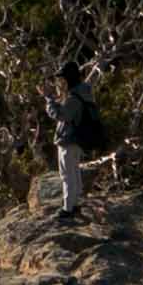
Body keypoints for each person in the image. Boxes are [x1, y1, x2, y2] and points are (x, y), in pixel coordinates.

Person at [47, 61, 106, 215]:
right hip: (77, 140)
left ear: (69, 78)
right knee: (74, 172)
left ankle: (68, 208)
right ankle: (76, 203)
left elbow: (62, 115)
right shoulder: (83, 92)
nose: (61, 82)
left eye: (63, 79)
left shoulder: (74, 97)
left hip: (69, 139)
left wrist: (49, 101)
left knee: (67, 174)